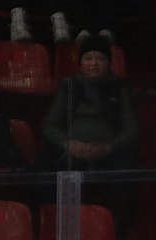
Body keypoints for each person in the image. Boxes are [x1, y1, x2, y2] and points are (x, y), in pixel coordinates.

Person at [40, 34, 140, 173]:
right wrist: (68, 144)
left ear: (108, 62)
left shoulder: (119, 87)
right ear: (80, 62)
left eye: (100, 59)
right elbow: (49, 126)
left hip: (110, 153)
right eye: (88, 58)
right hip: (70, 153)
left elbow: (132, 130)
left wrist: (107, 148)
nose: (93, 64)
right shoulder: (69, 86)